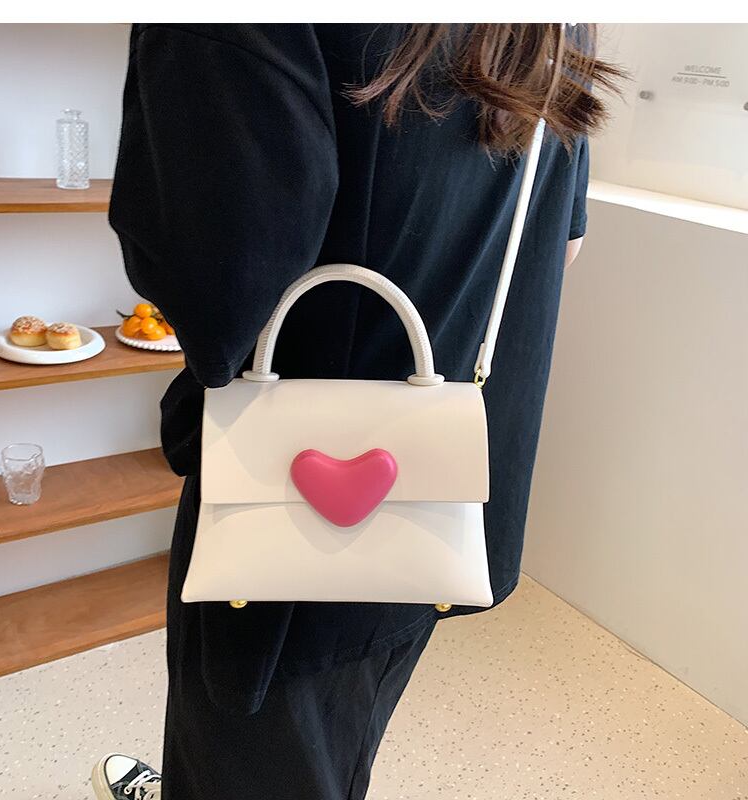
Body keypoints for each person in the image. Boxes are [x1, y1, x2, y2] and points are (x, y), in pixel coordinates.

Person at [91, 22, 621, 800]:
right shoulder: (555, 20)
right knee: (329, 744)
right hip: (442, 496)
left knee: (254, 751)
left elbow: (219, 297)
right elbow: (562, 244)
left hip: (288, 525)